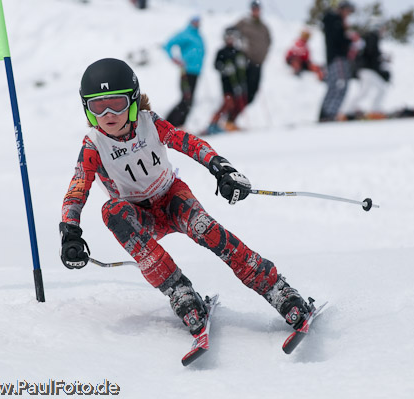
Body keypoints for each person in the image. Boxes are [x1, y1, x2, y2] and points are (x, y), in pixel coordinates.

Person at [60, 58, 311, 338]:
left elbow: (188, 143)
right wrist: (70, 230)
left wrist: (221, 169)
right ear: (88, 108)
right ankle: (179, 290)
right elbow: (78, 185)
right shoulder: (94, 144)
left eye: (117, 103)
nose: (108, 113)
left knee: (208, 230)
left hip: (171, 199)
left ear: (131, 101)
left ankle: (275, 287)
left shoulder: (150, 124)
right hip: (139, 217)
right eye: (98, 105)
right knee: (111, 211)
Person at [203, 27, 248, 135]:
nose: (230, 40)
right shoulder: (222, 51)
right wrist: (224, 68)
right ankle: (213, 123)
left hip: (238, 83)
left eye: (232, 38)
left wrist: (242, 65)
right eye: (228, 38)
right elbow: (216, 65)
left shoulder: (238, 52)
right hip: (226, 82)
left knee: (238, 103)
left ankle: (230, 122)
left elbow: (244, 67)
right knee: (227, 103)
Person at [163, 16, 205, 127]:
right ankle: (169, 124)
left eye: (198, 21)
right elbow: (168, 44)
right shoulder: (186, 34)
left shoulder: (198, 36)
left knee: (189, 100)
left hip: (196, 72)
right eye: (194, 21)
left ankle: (178, 125)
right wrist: (174, 58)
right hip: (186, 71)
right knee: (186, 98)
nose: (196, 23)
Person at [318, 1, 356, 122]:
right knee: (340, 85)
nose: (347, 15)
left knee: (334, 86)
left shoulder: (334, 21)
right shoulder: (334, 21)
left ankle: (325, 113)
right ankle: (329, 114)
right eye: (347, 11)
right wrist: (349, 40)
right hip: (338, 58)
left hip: (334, 58)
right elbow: (339, 40)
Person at [346, 18, 391, 117]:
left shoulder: (368, 37)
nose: (383, 30)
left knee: (367, 90)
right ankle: (372, 109)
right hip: (367, 69)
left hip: (364, 69)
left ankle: (350, 108)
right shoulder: (373, 37)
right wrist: (381, 59)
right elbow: (372, 54)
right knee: (379, 89)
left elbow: (369, 53)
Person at [234, 0, 271, 105]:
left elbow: (269, 41)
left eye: (257, 9)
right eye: (254, 9)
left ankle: (233, 117)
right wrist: (240, 46)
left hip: (258, 63)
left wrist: (264, 55)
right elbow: (230, 32)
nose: (256, 11)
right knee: (242, 92)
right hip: (246, 62)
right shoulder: (244, 23)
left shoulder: (263, 27)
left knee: (252, 92)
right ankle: (231, 117)